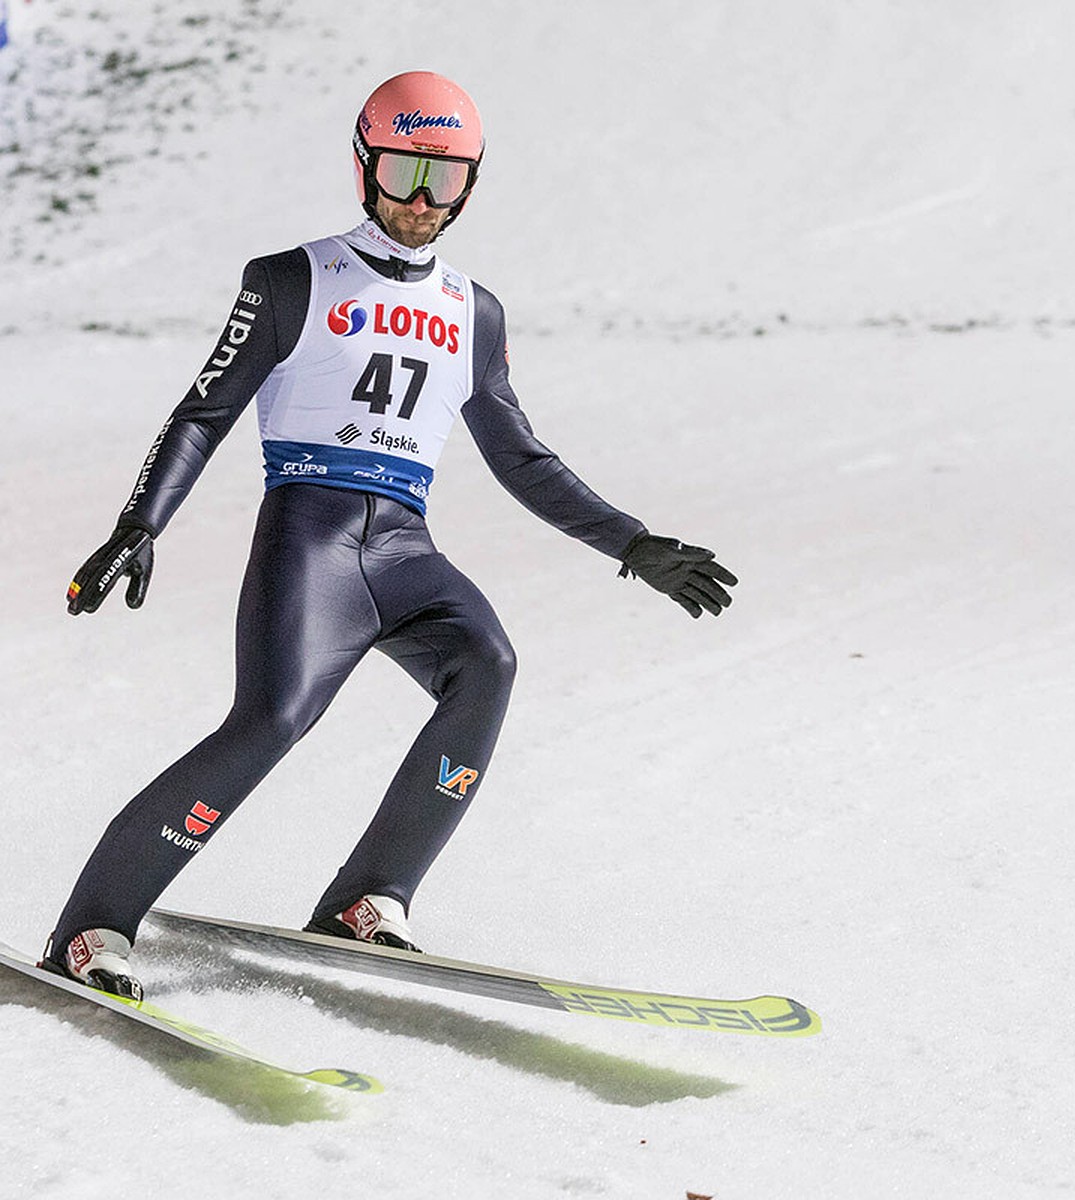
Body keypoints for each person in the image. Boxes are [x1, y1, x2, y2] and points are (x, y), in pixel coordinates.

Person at [41, 72, 736, 1000]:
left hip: (404, 548)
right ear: (364, 165)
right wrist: (141, 522)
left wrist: (633, 544)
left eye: (443, 180)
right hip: (310, 537)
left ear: (470, 187)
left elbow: (521, 458)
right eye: (404, 171)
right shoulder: (293, 278)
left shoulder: (472, 311)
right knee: (270, 722)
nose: (419, 200)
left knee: (485, 662)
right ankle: (94, 927)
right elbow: (205, 412)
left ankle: (369, 899)